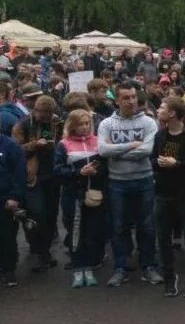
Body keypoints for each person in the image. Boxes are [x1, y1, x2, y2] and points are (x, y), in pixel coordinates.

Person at [98, 82, 163, 287]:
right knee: (118, 227)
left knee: (147, 226)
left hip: (144, 179)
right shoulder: (107, 124)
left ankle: (149, 266)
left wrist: (117, 149)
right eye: (126, 98)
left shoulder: (149, 122)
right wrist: (131, 145)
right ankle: (120, 268)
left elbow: (147, 150)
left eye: (133, 97)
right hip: (117, 182)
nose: (131, 101)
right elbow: (102, 151)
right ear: (117, 100)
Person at [153, 97, 185, 298]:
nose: (159, 110)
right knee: (163, 239)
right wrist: (158, 163)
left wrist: (177, 164)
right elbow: (152, 159)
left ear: (173, 113)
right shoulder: (160, 136)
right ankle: (169, 278)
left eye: (162, 107)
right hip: (163, 195)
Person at [54, 110, 106, 288]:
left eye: (87, 123)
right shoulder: (63, 145)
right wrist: (78, 172)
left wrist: (97, 171)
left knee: (92, 232)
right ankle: (78, 269)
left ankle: (89, 267)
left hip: (94, 195)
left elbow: (106, 167)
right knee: (75, 231)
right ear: (72, 125)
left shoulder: (98, 142)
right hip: (72, 196)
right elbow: (58, 170)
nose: (84, 127)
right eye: (80, 124)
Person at [12, 94, 63, 272]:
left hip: (53, 174)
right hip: (32, 175)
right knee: (38, 213)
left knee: (51, 214)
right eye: (43, 114)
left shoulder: (56, 122)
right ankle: (39, 249)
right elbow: (15, 149)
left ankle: (44, 251)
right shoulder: (23, 124)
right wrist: (34, 145)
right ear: (36, 111)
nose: (46, 117)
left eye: (49, 114)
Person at [0, 128, 26, 287]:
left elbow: (19, 173)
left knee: (6, 236)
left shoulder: (10, 146)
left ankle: (9, 269)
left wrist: (14, 197)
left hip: (4, 200)